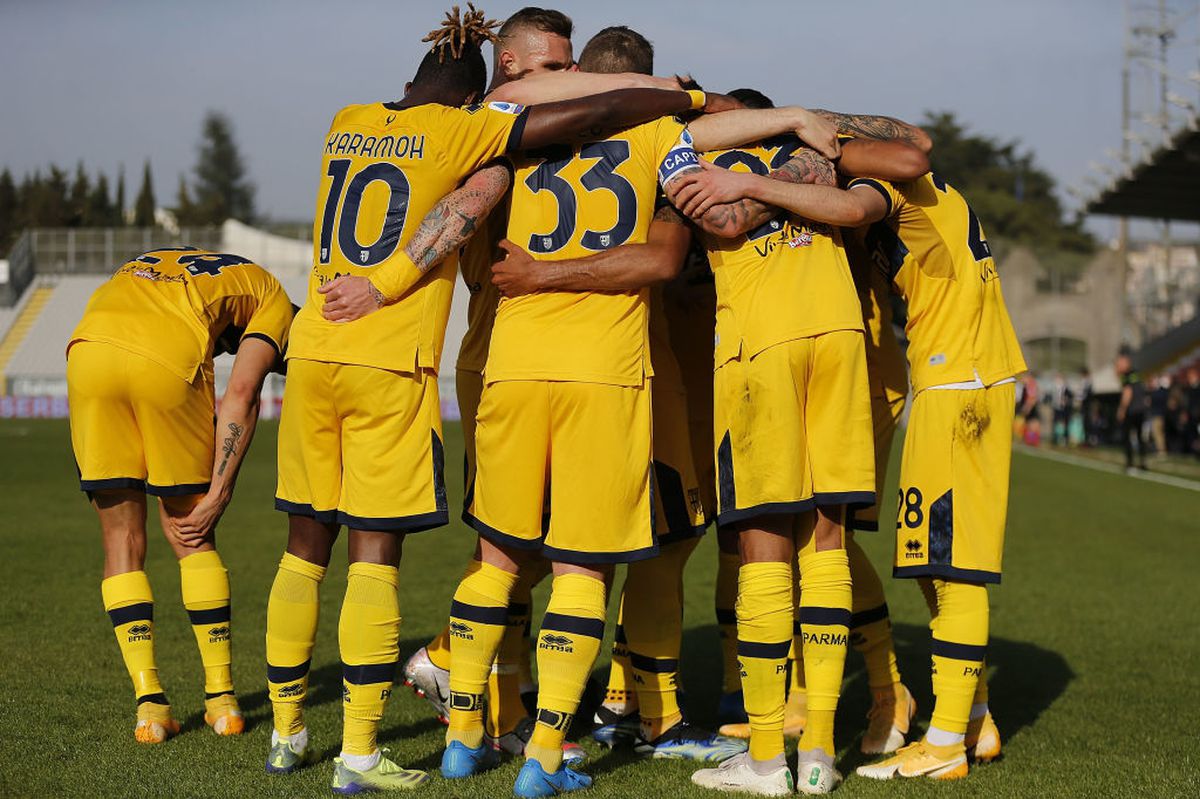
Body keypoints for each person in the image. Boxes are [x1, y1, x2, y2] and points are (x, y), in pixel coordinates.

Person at [261, 6, 712, 792]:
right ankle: (504, 749)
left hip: (393, 352)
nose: (560, 79)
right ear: (500, 75)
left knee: (398, 549)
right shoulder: (485, 131)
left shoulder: (350, 120)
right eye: (552, 67)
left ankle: (355, 729)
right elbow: (577, 144)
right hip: (508, 363)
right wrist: (693, 99)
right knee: (562, 561)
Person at [673, 155, 1027, 781]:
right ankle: (954, 714)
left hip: (946, 373)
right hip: (930, 366)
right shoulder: (912, 191)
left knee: (918, 556)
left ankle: (935, 731)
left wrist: (756, 176)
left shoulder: (884, 177)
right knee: (909, 555)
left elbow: (888, 166)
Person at [670, 104, 927, 794]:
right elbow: (912, 141)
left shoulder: (694, 155)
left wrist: (748, 174)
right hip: (840, 337)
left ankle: (764, 757)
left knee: (763, 548)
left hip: (762, 344)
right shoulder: (813, 157)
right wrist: (808, 139)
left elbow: (722, 218)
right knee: (827, 543)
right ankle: (816, 753)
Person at [67, 246, 293, 744]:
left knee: (120, 540)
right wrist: (219, 492)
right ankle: (222, 701)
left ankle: (149, 705)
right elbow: (243, 393)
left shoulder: (181, 262)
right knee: (190, 530)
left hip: (87, 349)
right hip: (166, 358)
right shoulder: (276, 301)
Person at [1116, 353, 1148, 472]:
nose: (1117, 366)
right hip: (1141, 409)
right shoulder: (1136, 374)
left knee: (1127, 436)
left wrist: (1122, 409)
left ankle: (1129, 463)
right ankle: (1143, 462)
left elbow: (1127, 392)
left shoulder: (1126, 376)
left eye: (1119, 364)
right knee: (1140, 437)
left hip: (1131, 410)